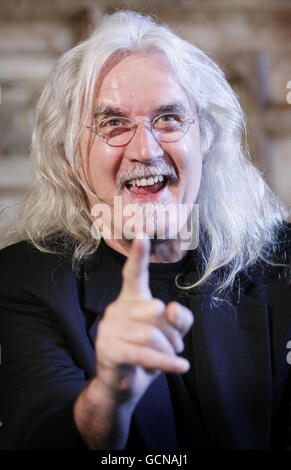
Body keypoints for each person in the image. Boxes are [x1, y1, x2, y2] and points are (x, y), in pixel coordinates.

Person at [0, 10, 290, 450]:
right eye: (113, 124)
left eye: (168, 118)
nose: (145, 148)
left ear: (205, 139)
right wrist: (109, 395)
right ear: (72, 158)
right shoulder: (21, 281)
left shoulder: (282, 261)